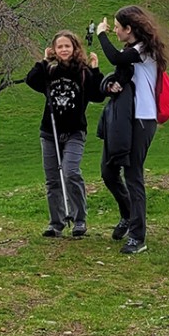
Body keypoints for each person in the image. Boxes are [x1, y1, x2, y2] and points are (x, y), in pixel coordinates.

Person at [95, 5, 169, 255]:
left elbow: (116, 58)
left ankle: (138, 236)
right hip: (122, 120)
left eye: (117, 27)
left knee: (133, 175)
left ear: (129, 29)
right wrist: (110, 85)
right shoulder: (131, 51)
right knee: (108, 171)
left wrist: (100, 34)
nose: (115, 31)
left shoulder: (145, 50)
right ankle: (128, 214)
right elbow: (119, 75)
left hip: (142, 119)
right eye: (112, 28)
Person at [25, 30, 104, 238]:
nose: (64, 50)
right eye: (59, 47)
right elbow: (31, 80)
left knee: (70, 172)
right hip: (49, 132)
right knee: (52, 179)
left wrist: (95, 69)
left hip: (75, 132)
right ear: (54, 50)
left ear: (75, 48)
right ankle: (56, 223)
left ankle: (79, 220)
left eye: (67, 46)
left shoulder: (83, 72)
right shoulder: (50, 71)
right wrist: (43, 61)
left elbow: (97, 95)